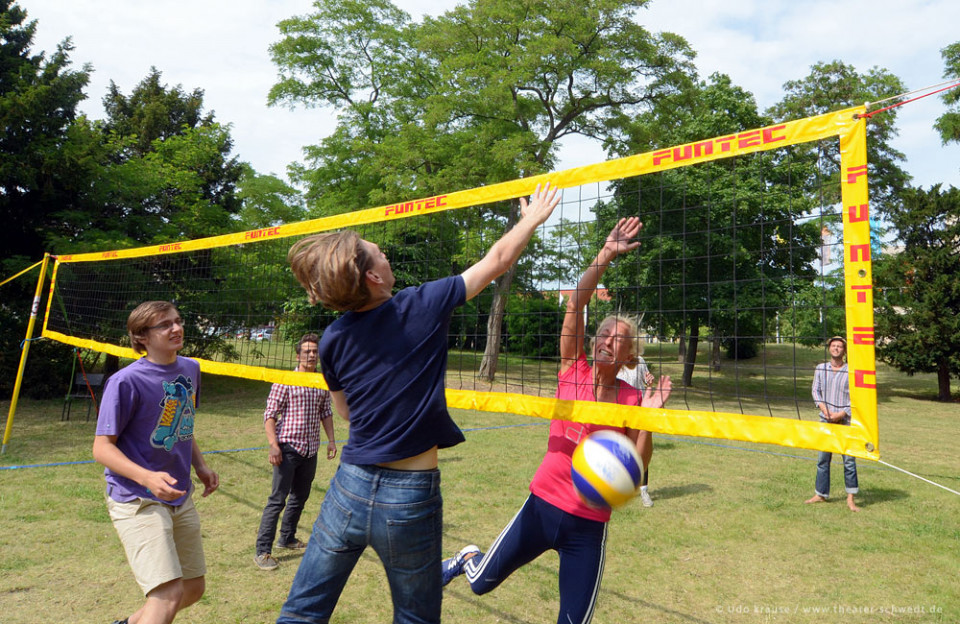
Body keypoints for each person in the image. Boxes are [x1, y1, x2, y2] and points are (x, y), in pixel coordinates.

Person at [275, 183, 561, 624]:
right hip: (410, 496)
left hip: (348, 486)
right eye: (380, 254)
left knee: (302, 613)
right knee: (416, 618)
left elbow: (347, 412)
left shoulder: (332, 338)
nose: (386, 257)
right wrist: (533, 218)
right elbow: (498, 261)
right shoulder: (421, 305)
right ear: (372, 277)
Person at [442, 217, 672, 624]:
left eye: (617, 338)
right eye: (602, 332)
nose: (606, 339)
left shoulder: (633, 397)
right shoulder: (572, 369)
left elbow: (635, 476)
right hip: (542, 506)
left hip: (588, 526)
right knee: (479, 583)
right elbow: (575, 304)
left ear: (629, 356)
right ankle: (466, 556)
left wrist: (648, 421)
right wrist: (606, 254)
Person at [92, 301, 220, 624]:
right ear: (142, 337)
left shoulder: (190, 369)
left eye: (177, 321)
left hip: (178, 494)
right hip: (136, 497)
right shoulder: (125, 382)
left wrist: (200, 466)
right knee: (167, 595)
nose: (176, 328)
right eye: (164, 325)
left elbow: (182, 424)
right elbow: (101, 449)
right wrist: (147, 477)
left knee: (192, 587)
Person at [254, 333, 337, 571]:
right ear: (298, 354)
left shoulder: (321, 381)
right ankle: (262, 551)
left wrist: (331, 440)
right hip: (288, 447)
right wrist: (273, 445)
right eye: (307, 351)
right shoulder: (286, 379)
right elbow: (270, 414)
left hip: (311, 448)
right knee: (277, 499)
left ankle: (287, 538)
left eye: (314, 351)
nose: (311, 355)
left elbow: (326, 412)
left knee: (300, 496)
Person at [805, 336, 860, 512]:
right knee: (823, 459)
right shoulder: (821, 369)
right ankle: (820, 494)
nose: (836, 348)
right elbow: (816, 390)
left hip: (845, 420)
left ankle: (850, 498)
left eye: (839, 346)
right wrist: (825, 410)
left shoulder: (851, 371)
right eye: (833, 346)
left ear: (844, 351)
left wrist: (842, 413)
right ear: (829, 348)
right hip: (825, 419)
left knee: (849, 460)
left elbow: (857, 397)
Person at [617, 346, 656, 507]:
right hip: (619, 410)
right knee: (620, 450)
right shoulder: (616, 361)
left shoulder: (639, 361)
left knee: (642, 449)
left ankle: (644, 491)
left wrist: (649, 382)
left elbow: (646, 380)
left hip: (637, 410)